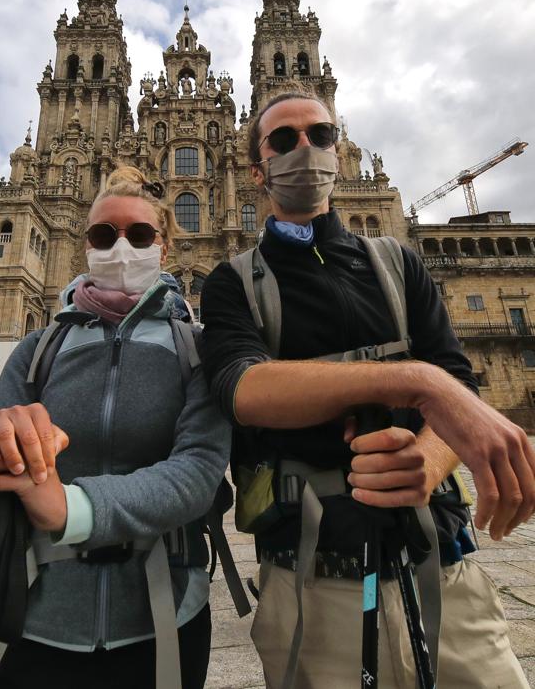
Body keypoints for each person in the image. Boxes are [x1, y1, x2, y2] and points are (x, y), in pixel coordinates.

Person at [200, 89, 534, 688]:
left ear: (339, 148)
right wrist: (415, 379)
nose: (306, 149)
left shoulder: (397, 263)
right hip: (311, 579)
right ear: (256, 168)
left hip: (440, 566)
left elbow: (459, 385)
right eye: (283, 139)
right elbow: (241, 387)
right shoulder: (235, 282)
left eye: (320, 136)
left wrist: (428, 463)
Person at [0, 166, 231, 689]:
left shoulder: (196, 351)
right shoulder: (38, 352)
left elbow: (198, 475)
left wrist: (71, 506)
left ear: (164, 249)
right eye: (105, 235)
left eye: (140, 235)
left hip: (162, 621)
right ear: (85, 244)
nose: (122, 247)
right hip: (34, 620)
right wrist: (0, 450)